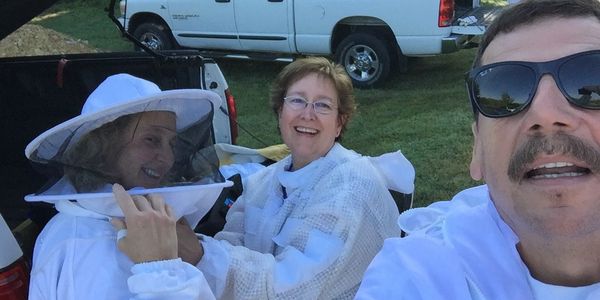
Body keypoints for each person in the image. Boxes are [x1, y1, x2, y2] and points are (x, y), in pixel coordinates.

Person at [355, 0, 600, 299]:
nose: (545, 114)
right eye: (503, 90)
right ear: (478, 150)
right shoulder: (417, 277)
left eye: (590, 79)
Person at [116, 57, 405, 299]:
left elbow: (295, 289)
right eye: (297, 101)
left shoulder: (352, 188)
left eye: (323, 105)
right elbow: (230, 243)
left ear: (340, 123)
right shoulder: (262, 183)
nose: (308, 114)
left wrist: (198, 252)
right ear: (280, 112)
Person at [26, 73, 227, 299]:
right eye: (151, 139)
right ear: (105, 146)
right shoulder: (89, 243)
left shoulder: (109, 219)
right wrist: (160, 268)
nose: (167, 157)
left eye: (171, 143)